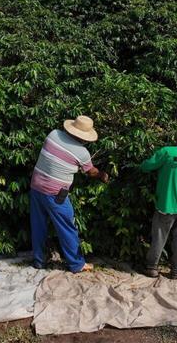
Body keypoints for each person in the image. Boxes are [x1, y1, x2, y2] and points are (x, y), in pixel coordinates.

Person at [29, 115, 110, 273]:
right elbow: (91, 172)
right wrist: (102, 175)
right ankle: (76, 264)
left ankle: (39, 260)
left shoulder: (53, 134)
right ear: (85, 137)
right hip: (55, 193)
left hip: (36, 186)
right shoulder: (82, 153)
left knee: (38, 225)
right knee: (67, 227)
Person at [140, 125, 177, 279]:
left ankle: (152, 267)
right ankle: (176, 272)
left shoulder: (167, 152)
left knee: (159, 237)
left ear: (176, 137)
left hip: (166, 204)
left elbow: (147, 166)